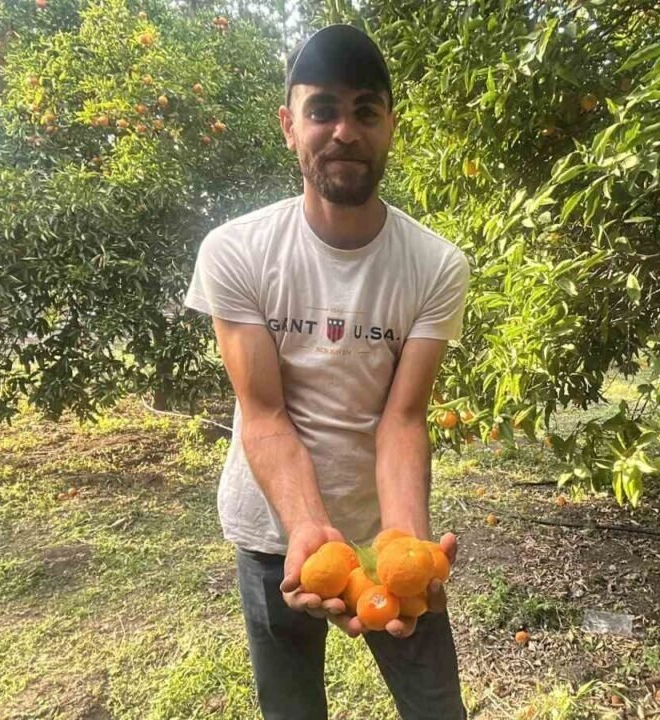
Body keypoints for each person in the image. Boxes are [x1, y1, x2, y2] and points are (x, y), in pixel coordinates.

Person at [182, 23, 471, 720]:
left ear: (390, 126)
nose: (345, 131)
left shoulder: (436, 266)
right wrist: (308, 528)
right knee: (291, 710)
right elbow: (265, 414)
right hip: (272, 533)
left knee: (436, 708)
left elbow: (403, 417)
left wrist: (405, 540)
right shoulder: (237, 253)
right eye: (322, 111)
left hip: (385, 531)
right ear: (290, 126)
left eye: (365, 111)